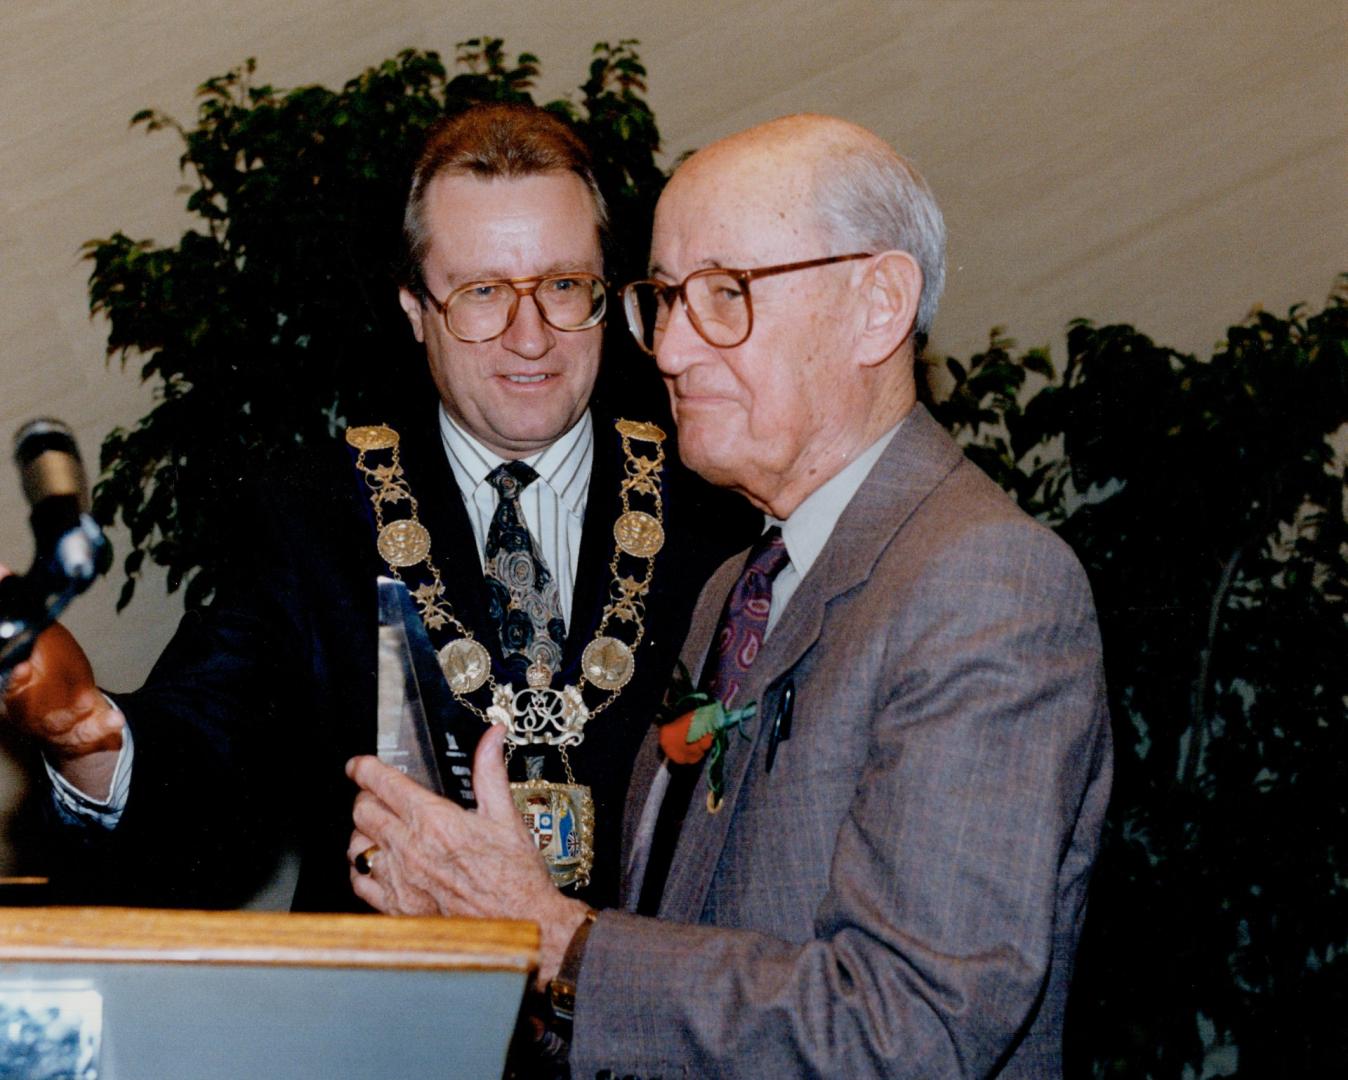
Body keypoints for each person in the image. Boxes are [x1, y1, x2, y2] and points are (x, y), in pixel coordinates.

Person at [345, 113, 1112, 1077]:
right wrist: (491, 939)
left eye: (724, 295)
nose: (668, 350)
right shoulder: (735, 587)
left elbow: (911, 1029)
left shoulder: (986, 585)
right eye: (664, 300)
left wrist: (549, 936)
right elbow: (677, 981)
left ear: (879, 304)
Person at [0, 102, 754, 912]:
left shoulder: (717, 497)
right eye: (481, 292)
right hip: (395, 1022)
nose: (530, 337)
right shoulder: (316, 513)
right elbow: (210, 755)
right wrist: (88, 731)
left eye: (566, 286)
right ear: (414, 308)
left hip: (662, 1023)